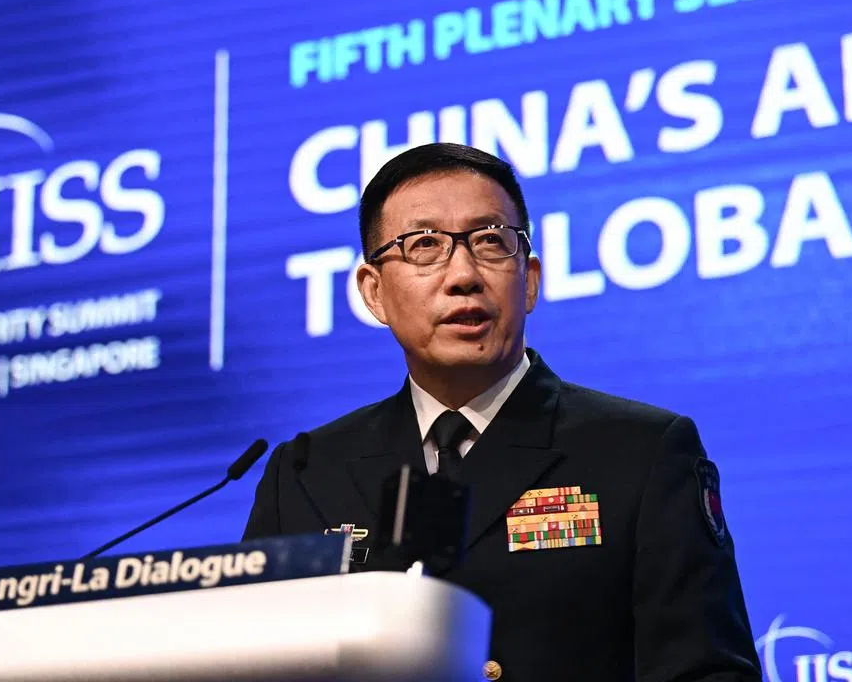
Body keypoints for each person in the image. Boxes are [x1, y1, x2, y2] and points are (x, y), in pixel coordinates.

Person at [243, 142, 761, 681]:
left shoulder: (641, 451)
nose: (463, 273)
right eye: (424, 245)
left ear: (529, 280)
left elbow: (708, 672)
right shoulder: (306, 473)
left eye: (491, 242)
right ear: (374, 292)